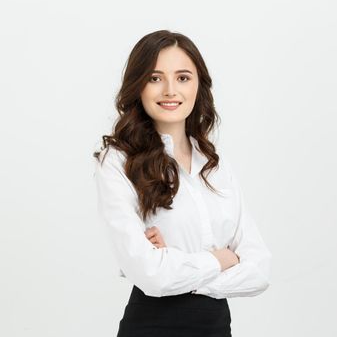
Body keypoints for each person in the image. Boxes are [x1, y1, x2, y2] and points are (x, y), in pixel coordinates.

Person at [93, 29, 272, 337]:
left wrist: (178, 265)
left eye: (183, 78)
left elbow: (259, 271)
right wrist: (222, 259)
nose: (170, 90)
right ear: (138, 86)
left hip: (216, 328)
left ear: (198, 84)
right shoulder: (118, 161)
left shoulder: (215, 165)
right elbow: (151, 276)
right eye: (154, 78)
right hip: (151, 326)